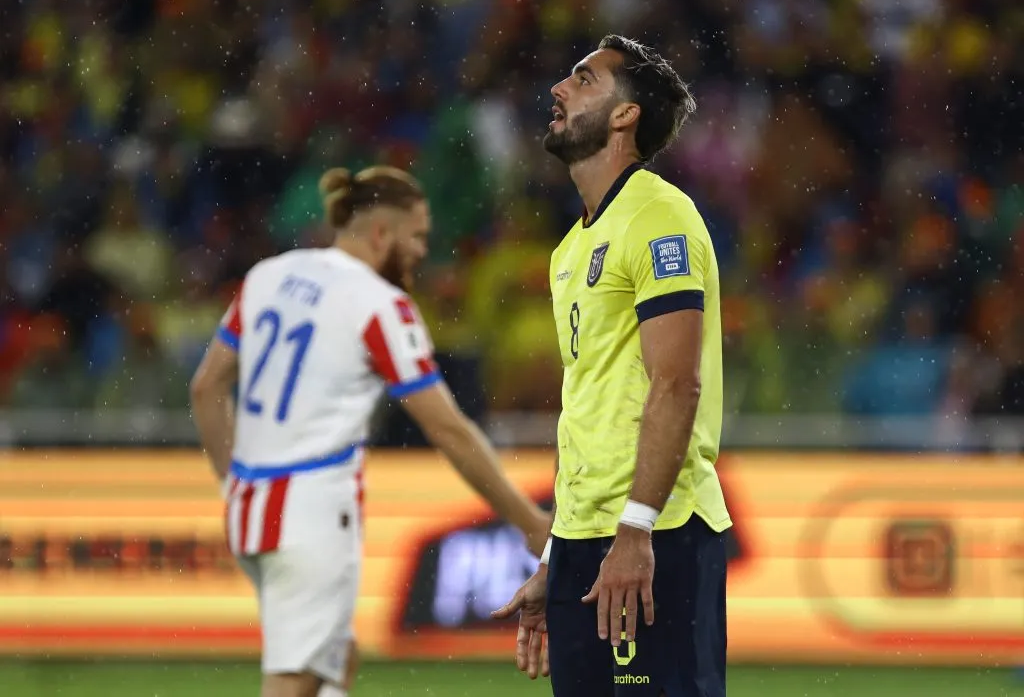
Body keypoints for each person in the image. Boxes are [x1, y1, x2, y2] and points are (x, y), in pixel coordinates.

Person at [190, 166, 551, 697]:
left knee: (336, 660)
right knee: (295, 679)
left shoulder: (268, 275)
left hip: (251, 509)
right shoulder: (379, 306)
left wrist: (234, 483)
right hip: (310, 512)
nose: (423, 250)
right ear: (382, 234)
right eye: (418, 236)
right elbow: (447, 428)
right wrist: (528, 520)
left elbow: (206, 388)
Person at [492, 35, 732, 696]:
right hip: (584, 539)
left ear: (626, 115)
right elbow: (587, 402)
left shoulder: (659, 217)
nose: (558, 90)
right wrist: (556, 553)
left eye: (584, 79)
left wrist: (635, 530)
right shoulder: (570, 248)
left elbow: (677, 384)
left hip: (658, 533)